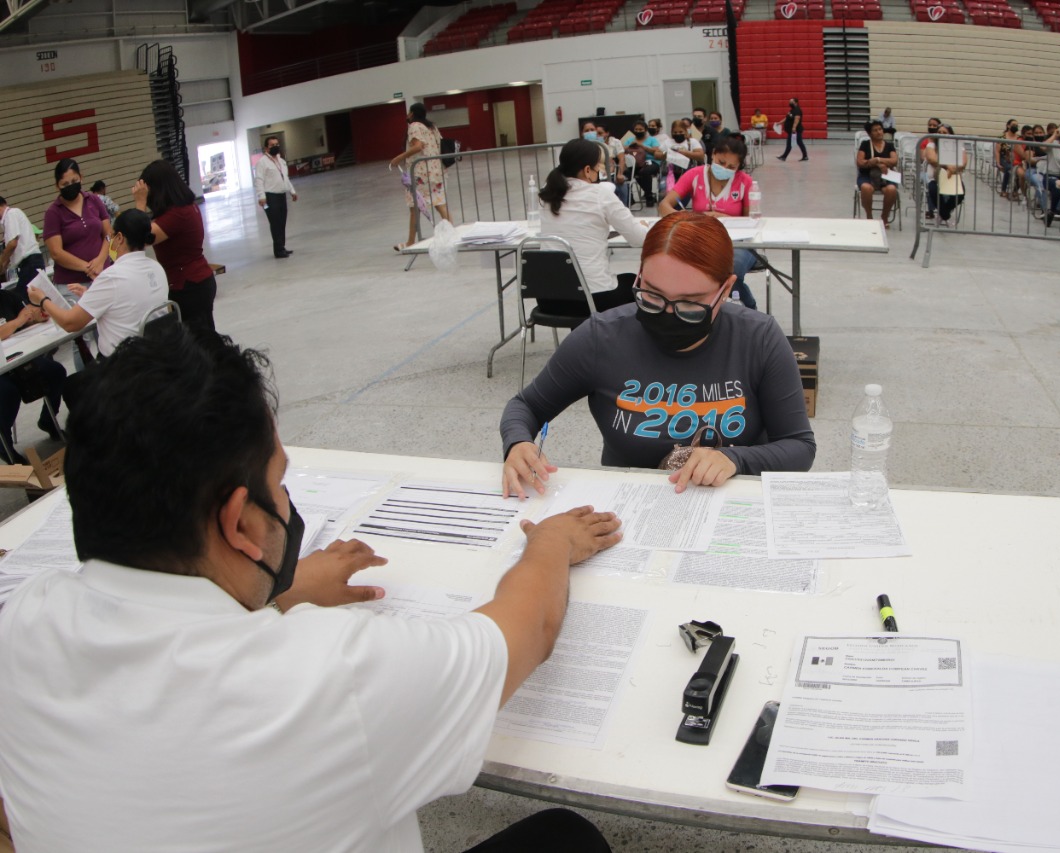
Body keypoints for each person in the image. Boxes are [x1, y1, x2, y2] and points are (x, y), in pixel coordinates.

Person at [0, 323, 621, 852]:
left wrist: (282, 594)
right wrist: (550, 544)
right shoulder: (329, 673)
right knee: (568, 838)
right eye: (279, 483)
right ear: (241, 521)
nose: (287, 504)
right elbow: (527, 629)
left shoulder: (21, 620)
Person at [500, 211, 815, 499]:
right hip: (629, 503)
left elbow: (799, 447)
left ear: (726, 289)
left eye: (690, 303)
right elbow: (526, 406)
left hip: (729, 505)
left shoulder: (758, 339)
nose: (668, 313)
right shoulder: (602, 338)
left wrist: (734, 459)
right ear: (639, 276)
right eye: (652, 296)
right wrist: (518, 443)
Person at [28, 209, 167, 358]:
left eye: (111, 236)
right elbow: (129, 303)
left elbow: (70, 323)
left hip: (125, 364)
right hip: (157, 355)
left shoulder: (112, 277)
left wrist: (43, 300)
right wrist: (90, 296)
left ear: (119, 238)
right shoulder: (156, 267)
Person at [537, 138, 649, 313]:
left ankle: (581, 336)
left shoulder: (546, 193)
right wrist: (642, 225)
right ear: (588, 170)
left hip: (549, 299)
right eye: (599, 168)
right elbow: (638, 238)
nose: (600, 173)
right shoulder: (600, 195)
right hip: (593, 297)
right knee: (636, 282)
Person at [658, 136, 759, 310]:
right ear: (713, 155)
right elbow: (664, 206)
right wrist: (694, 219)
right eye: (721, 162)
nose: (725, 168)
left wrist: (724, 218)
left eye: (731, 167)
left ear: (738, 167)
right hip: (701, 239)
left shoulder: (745, 182)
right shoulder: (695, 175)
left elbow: (751, 221)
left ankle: (747, 306)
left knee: (728, 269)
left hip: (738, 243)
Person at [130, 159, 218, 331]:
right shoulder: (185, 207)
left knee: (198, 344)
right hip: (197, 281)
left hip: (189, 286)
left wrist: (139, 203)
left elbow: (140, 236)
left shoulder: (177, 215)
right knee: (205, 340)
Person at [0, 290, 63, 462]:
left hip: (18, 357)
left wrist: (35, 317)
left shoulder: (7, 296)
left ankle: (48, 420)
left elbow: (26, 316)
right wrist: (18, 321)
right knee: (7, 393)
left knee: (55, 372)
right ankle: (3, 445)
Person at [43, 158, 111, 298]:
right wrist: (87, 268)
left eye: (74, 181)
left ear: (81, 177)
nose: (70, 186)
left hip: (103, 276)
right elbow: (56, 252)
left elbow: (109, 234)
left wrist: (100, 259)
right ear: (57, 186)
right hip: (72, 287)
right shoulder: (53, 213)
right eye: (65, 184)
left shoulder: (94, 200)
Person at [389, 103, 451, 252]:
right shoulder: (432, 127)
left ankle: (410, 242)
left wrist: (399, 157)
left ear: (411, 113)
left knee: (414, 208)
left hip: (421, 175)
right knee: (440, 204)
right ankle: (451, 236)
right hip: (436, 171)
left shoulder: (415, 126)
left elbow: (418, 146)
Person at [253, 135, 298, 259]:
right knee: (275, 223)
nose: (275, 147)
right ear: (266, 148)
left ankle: (282, 247)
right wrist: (261, 196)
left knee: (282, 222)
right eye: (272, 145)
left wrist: (292, 191)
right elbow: (259, 180)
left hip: (281, 195)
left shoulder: (281, 161)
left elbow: (286, 178)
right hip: (270, 197)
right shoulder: (262, 162)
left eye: (277, 144)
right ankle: (278, 251)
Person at [0, 197, 44, 299]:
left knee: (21, 300)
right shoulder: (8, 221)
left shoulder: (11, 214)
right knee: (31, 300)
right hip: (27, 265)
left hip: (31, 262)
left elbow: (12, 244)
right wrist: (4, 266)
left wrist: (1, 262)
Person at [856, 119, 899, 225]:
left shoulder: (889, 145)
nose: (879, 132)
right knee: (866, 188)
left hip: (886, 175)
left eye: (880, 129)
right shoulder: (865, 144)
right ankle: (869, 216)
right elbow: (860, 162)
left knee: (891, 189)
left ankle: (884, 216)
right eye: (875, 130)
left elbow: (894, 161)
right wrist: (878, 164)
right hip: (867, 174)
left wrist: (877, 160)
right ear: (870, 133)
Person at [924, 125, 967, 227]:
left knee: (960, 194)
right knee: (933, 190)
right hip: (935, 178)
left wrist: (953, 170)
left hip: (953, 178)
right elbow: (932, 159)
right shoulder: (931, 145)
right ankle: (946, 216)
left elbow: (963, 163)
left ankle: (942, 214)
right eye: (939, 132)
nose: (941, 134)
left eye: (944, 132)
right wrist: (948, 166)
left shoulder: (959, 147)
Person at [625, 120, 665, 206]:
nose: (638, 131)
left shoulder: (652, 140)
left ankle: (649, 196)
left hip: (651, 162)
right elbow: (623, 149)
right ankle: (629, 197)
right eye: (636, 129)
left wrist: (642, 146)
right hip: (634, 163)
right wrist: (630, 146)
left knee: (644, 172)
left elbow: (656, 150)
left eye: (641, 129)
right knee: (627, 172)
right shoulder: (630, 140)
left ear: (645, 130)